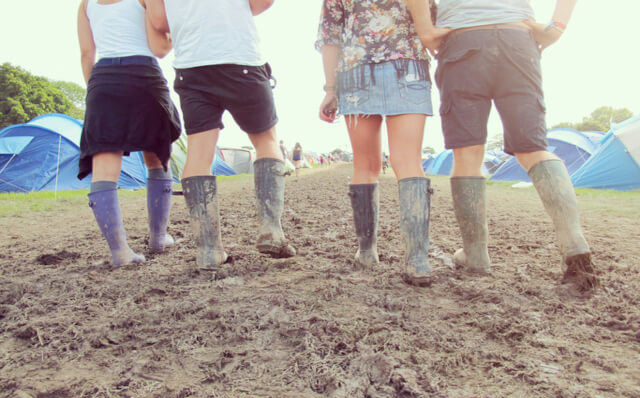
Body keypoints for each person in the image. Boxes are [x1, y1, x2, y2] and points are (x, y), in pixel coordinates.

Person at [417, 0, 598, 290]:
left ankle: (475, 256)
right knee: (533, 148)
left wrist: (425, 30)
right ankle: (574, 244)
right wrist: (557, 28)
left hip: (463, 40)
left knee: (467, 155)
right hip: (517, 39)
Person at [150, 0, 295, 269]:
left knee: (198, 155)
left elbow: (158, 21)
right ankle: (270, 229)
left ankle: (208, 250)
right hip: (239, 56)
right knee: (267, 142)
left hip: (191, 66)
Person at [317, 0, 437, 285]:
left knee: (365, 165)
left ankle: (367, 252)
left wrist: (330, 89)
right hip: (408, 65)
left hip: (356, 71)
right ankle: (418, 260)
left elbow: (330, 35)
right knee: (408, 161)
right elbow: (431, 19)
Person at [77, 0, 181, 266]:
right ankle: (158, 238)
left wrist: (97, 91)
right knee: (157, 157)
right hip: (143, 73)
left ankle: (120, 252)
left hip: (103, 78)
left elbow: (87, 54)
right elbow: (161, 46)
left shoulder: (86, 4)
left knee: (104, 165)